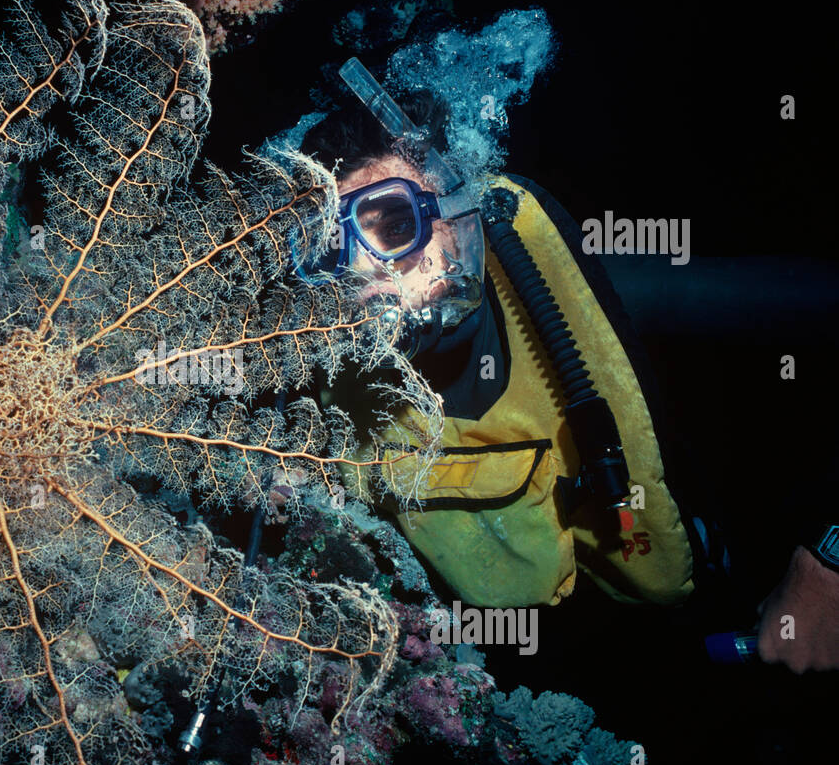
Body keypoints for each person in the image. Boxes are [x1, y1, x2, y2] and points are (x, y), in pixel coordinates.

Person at [291, 60, 839, 672]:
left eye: (394, 225)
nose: (371, 277)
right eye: (332, 250)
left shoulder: (613, 299)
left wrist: (826, 563)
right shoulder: (319, 391)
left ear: (458, 208)